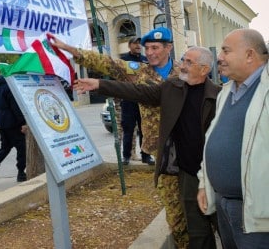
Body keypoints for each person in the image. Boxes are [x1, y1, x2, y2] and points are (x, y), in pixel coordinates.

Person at [51, 27, 189, 248]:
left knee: (198, 206)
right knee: (174, 210)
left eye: (155, 47)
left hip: (188, 149)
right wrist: (71, 50)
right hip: (162, 152)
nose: (150, 52)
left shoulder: (184, 73)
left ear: (169, 48)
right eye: (147, 48)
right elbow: (107, 63)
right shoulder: (139, 72)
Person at [75, 46, 221, 248]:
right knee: (198, 231)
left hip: (216, 174)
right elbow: (137, 91)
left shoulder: (219, 96)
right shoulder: (172, 87)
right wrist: (99, 84)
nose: (182, 65)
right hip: (189, 173)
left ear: (204, 70)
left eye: (189, 62)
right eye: (183, 59)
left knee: (225, 226)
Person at [197, 28, 269, 248]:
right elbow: (212, 141)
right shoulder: (226, 91)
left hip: (256, 212)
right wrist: (204, 183)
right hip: (224, 203)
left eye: (226, 51)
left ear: (249, 55)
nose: (219, 57)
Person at [0, 75, 27, 185]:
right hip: (11, 122)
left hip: (1, 122)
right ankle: (21, 173)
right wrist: (23, 122)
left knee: (5, 147)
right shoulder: (9, 88)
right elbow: (15, 107)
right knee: (21, 147)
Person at [119, 36, 151, 165]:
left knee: (145, 130)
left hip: (143, 101)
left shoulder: (145, 60)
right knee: (128, 130)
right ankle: (126, 156)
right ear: (129, 45)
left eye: (139, 44)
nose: (138, 46)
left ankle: (146, 156)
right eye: (135, 43)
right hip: (128, 101)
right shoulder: (123, 60)